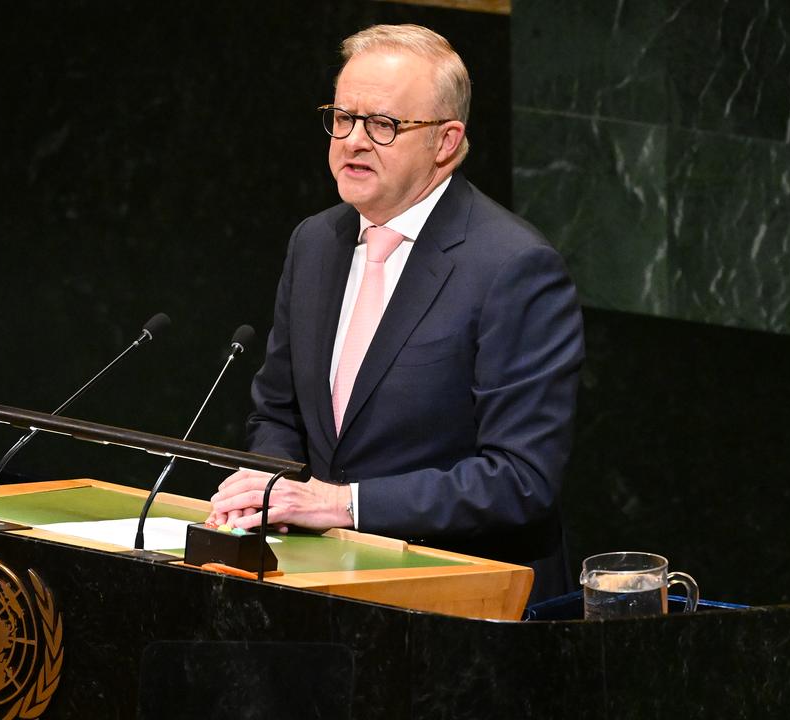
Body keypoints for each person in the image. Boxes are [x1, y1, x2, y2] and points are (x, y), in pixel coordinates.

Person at [207, 24, 584, 602]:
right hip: (319, 587)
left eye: (383, 125)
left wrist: (344, 504)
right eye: (342, 117)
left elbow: (520, 480)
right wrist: (268, 484)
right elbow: (278, 415)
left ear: (446, 141)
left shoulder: (513, 267)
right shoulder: (315, 242)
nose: (353, 141)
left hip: (463, 604)